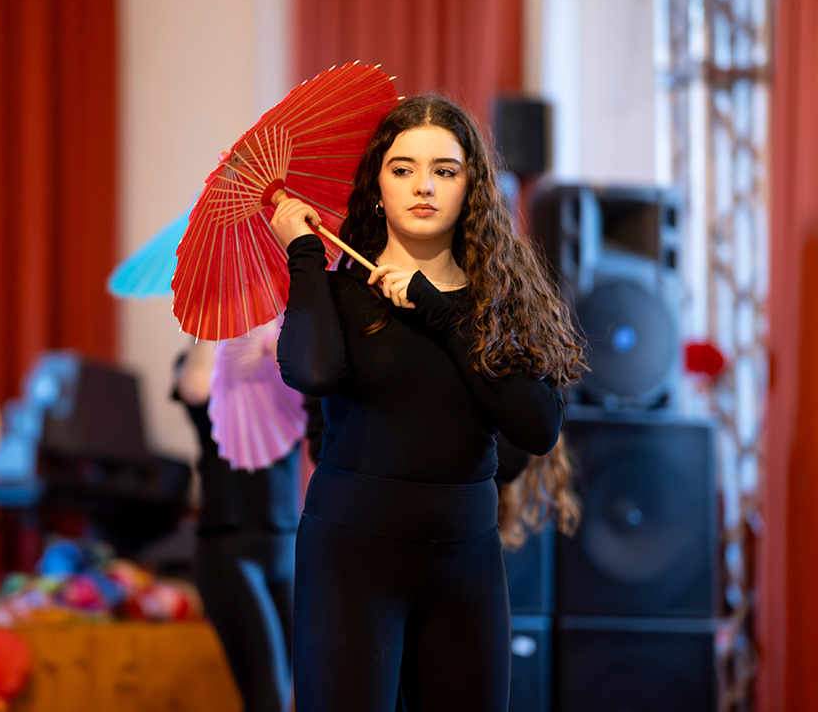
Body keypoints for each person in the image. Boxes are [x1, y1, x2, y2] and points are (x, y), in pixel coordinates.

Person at [270, 95, 584, 712]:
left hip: (467, 558)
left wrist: (440, 312)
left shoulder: (498, 301)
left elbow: (537, 427)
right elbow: (311, 371)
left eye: (445, 170)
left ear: (471, 188)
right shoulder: (339, 291)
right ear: (377, 187)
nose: (423, 186)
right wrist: (304, 253)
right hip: (350, 559)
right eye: (402, 168)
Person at [173, 327, 301, 712]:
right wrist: (213, 322)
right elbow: (196, 389)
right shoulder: (203, 357)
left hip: (287, 542)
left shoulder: (282, 351)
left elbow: (318, 387)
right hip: (230, 546)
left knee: (293, 693)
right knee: (268, 698)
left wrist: (282, 340)